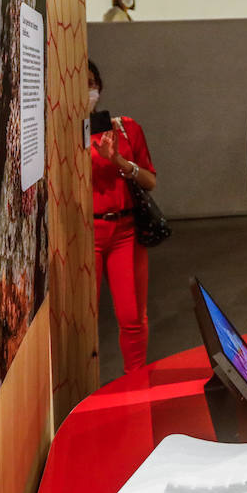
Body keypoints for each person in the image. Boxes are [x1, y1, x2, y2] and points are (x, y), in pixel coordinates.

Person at [88, 60, 159, 374]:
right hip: (85, 233)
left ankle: (136, 379)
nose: (87, 90)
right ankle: (80, 387)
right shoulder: (62, 135)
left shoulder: (126, 129)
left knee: (133, 317)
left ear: (99, 87)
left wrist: (117, 160)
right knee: (80, 321)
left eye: (91, 82)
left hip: (126, 230)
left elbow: (150, 181)